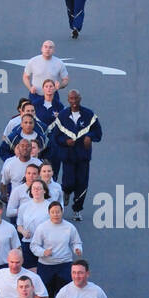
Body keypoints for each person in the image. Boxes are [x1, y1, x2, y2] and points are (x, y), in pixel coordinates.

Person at [48, 90, 103, 218]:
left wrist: (90, 137)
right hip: (68, 156)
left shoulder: (89, 115)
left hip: (83, 156)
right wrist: (65, 141)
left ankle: (77, 209)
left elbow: (98, 133)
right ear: (68, 100)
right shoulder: (62, 116)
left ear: (80, 98)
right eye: (71, 99)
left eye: (76, 98)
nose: (73, 101)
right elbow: (56, 137)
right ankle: (66, 192)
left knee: (82, 183)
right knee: (68, 183)